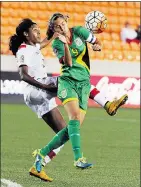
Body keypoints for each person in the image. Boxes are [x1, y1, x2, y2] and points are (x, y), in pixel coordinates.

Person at [9, 18, 128, 182]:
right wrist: (43, 87)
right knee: (74, 79)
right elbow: (23, 75)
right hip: (36, 90)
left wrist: (55, 32)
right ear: (25, 34)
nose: (38, 32)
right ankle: (108, 105)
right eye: (34, 30)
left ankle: (40, 162)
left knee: (67, 132)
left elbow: (44, 42)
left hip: (37, 97)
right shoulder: (23, 50)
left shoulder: (33, 46)